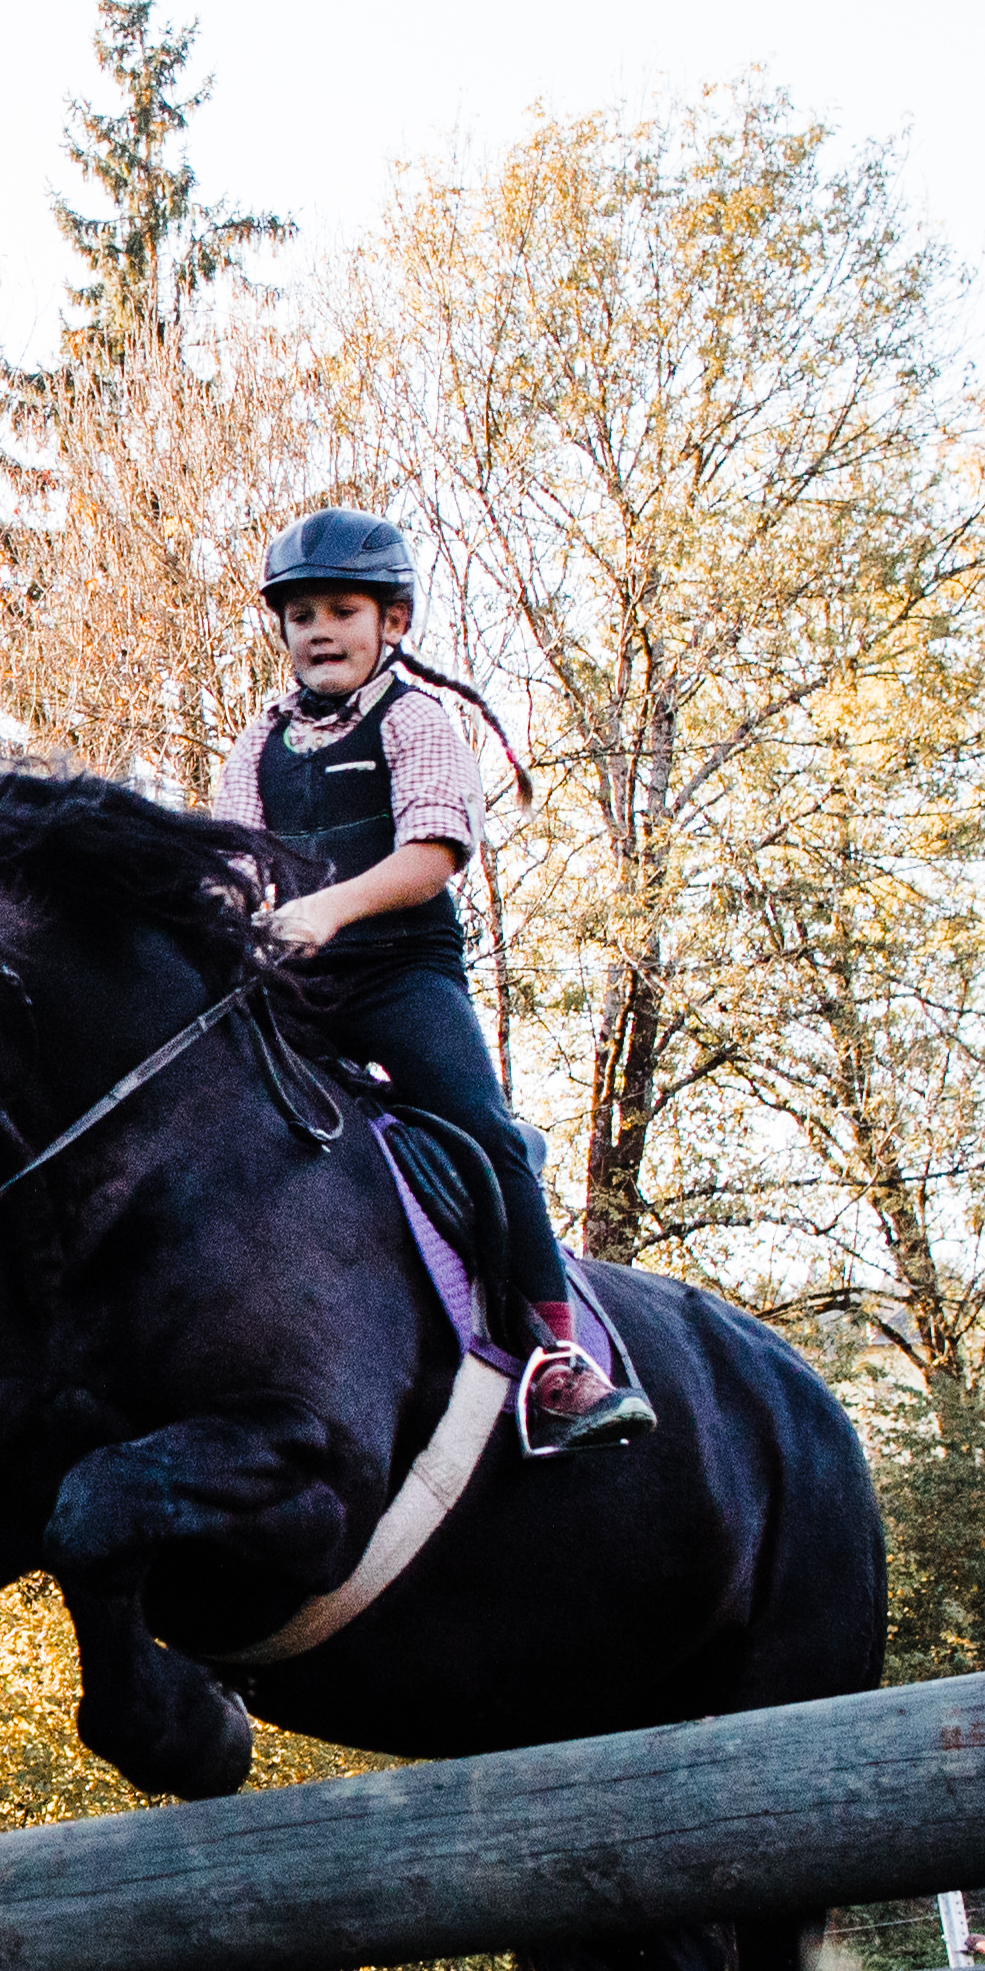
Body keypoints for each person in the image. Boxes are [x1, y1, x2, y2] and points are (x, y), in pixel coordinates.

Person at [207, 507, 652, 1452]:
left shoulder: (417, 720)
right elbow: (237, 863)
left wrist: (326, 909)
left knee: (482, 1129)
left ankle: (557, 1360)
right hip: (295, 989)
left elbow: (433, 852)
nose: (317, 630)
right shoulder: (257, 742)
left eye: (339, 610)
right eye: (299, 616)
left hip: (399, 975)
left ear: (392, 623)